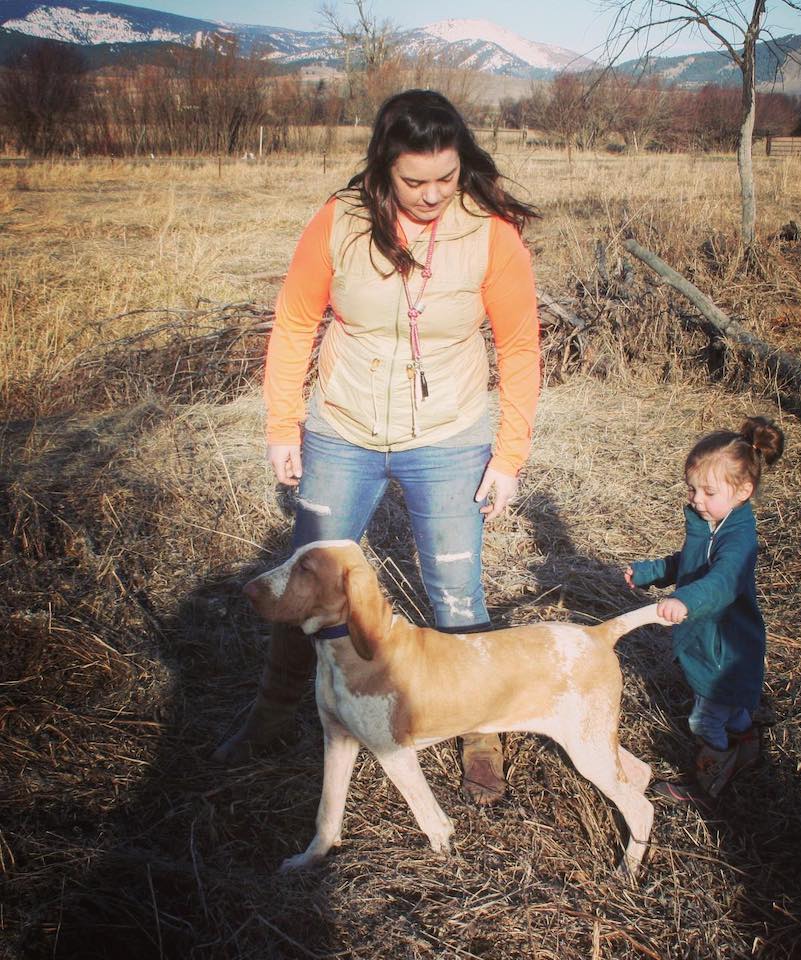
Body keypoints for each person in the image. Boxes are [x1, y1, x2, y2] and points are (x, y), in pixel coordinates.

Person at [214, 90, 540, 806]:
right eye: (413, 181)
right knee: (310, 586)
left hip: (450, 435)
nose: (431, 197)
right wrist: (281, 426)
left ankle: (481, 730)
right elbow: (295, 322)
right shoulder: (339, 223)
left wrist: (508, 455)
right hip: (342, 430)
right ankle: (273, 712)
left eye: (445, 180)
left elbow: (519, 347)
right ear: (383, 168)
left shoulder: (491, 234)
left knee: (457, 588)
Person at [624, 416, 785, 803]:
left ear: (743, 490)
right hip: (709, 641)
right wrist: (651, 573)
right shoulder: (711, 522)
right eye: (692, 489)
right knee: (728, 707)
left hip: (724, 651)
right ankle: (745, 743)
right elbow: (691, 562)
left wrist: (685, 601)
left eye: (707, 492)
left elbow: (722, 582)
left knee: (705, 717)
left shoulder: (739, 539)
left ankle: (711, 776)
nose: (696, 499)